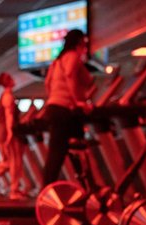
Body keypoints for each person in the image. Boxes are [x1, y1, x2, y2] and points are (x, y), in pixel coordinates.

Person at [42, 29, 95, 185]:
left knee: (57, 152)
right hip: (63, 109)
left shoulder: (57, 61)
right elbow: (71, 76)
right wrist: (77, 101)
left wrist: (55, 97)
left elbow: (47, 84)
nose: (85, 47)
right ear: (79, 42)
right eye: (84, 43)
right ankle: (85, 185)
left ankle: (54, 189)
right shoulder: (72, 57)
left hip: (53, 106)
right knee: (61, 152)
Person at [0, 72, 32, 199]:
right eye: (11, 78)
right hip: (8, 131)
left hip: (3, 131)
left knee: (8, 162)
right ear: (7, 82)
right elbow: (9, 116)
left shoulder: (5, 95)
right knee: (14, 162)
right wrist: (10, 133)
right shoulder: (8, 96)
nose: (13, 79)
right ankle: (14, 190)